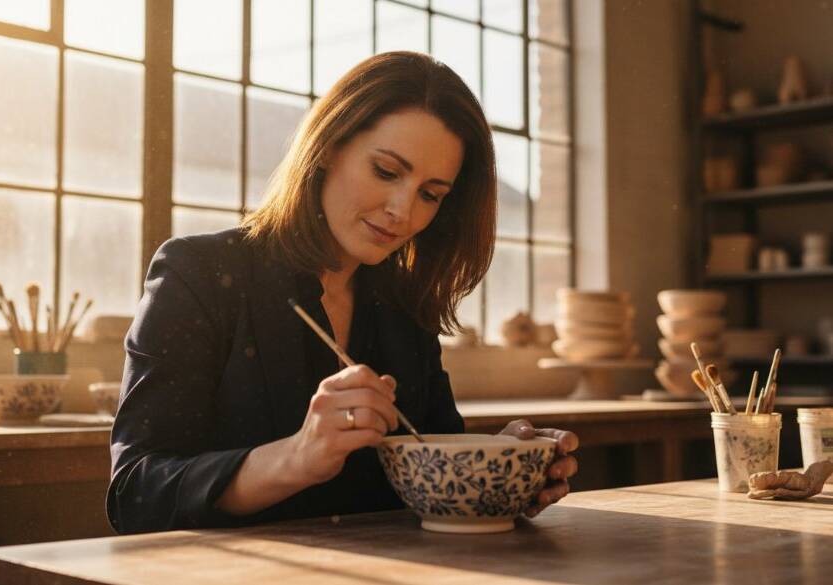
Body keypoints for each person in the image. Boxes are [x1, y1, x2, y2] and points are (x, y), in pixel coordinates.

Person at [106, 51, 578, 534]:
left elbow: (428, 466)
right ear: (329, 146)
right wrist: (295, 457)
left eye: (430, 194)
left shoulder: (404, 306)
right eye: (387, 171)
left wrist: (499, 467)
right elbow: (135, 494)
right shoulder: (199, 273)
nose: (402, 211)